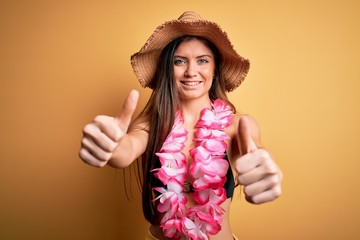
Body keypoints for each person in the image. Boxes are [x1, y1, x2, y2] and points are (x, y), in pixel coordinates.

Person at [79, 11, 283, 240]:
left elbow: (255, 150)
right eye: (179, 61)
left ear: (215, 70)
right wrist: (111, 145)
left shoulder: (237, 126)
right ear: (168, 68)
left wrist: (264, 167)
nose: (191, 72)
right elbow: (126, 149)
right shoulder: (152, 123)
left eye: (203, 60)